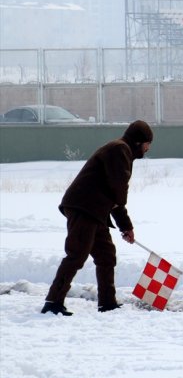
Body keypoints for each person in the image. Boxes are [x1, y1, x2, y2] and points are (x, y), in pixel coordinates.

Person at [41, 120, 154, 316]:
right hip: (83, 208)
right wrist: (125, 224)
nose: (148, 148)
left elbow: (114, 194)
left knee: (106, 255)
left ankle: (107, 303)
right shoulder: (120, 150)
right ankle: (53, 301)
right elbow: (118, 189)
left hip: (95, 211)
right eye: (148, 143)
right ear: (139, 141)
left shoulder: (122, 150)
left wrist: (124, 226)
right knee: (76, 255)